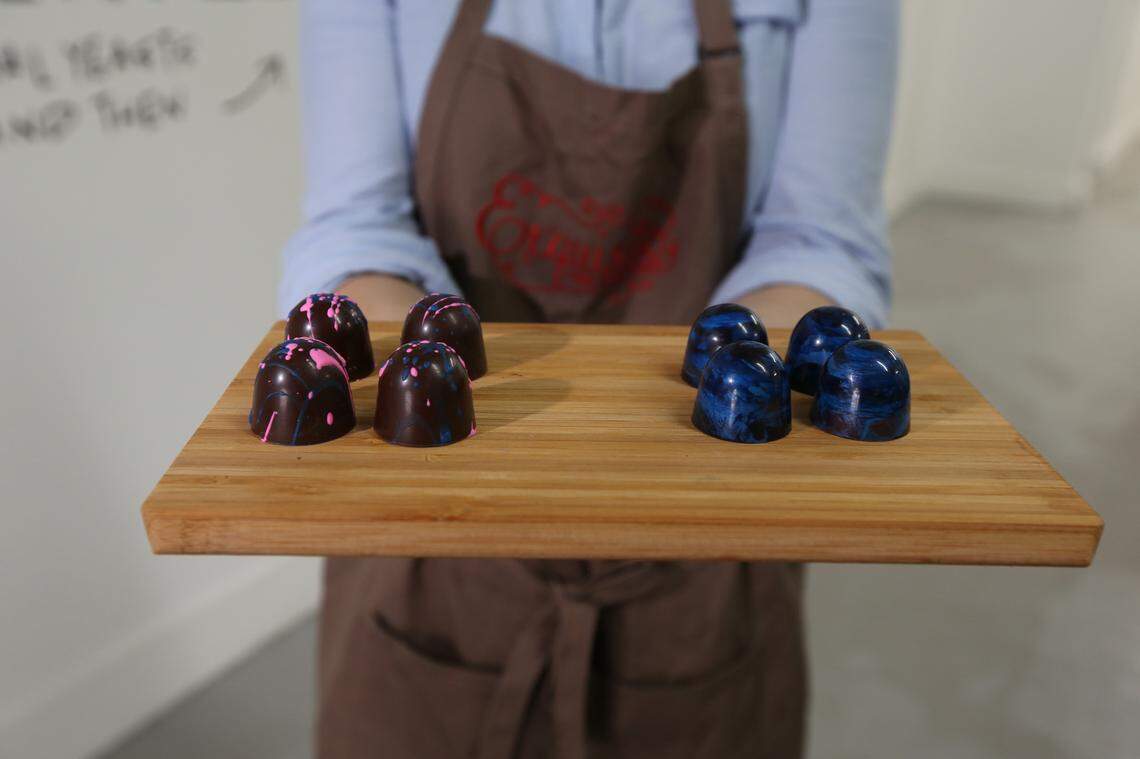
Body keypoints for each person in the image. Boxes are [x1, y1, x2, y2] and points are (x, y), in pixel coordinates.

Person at [280, 1, 897, 756]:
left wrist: (737, 376)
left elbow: (819, 241)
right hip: (425, 538)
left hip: (709, 540)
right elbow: (357, 225)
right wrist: (430, 371)